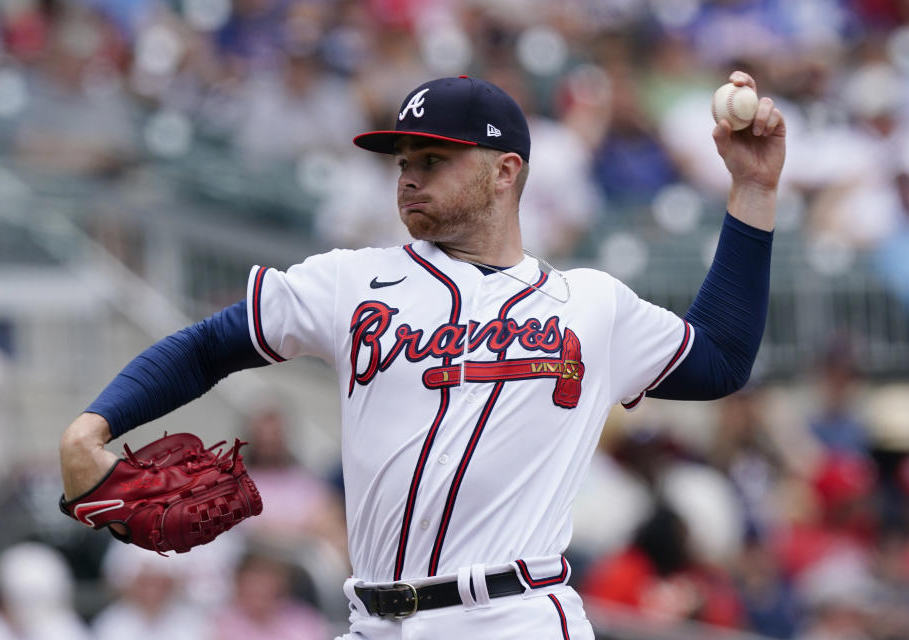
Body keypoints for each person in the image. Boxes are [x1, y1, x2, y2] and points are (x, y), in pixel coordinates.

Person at [60, 72, 785, 637]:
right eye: (403, 160)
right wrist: (94, 424)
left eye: (433, 160)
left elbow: (720, 357)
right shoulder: (351, 280)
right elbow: (210, 345)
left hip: (515, 616)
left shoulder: (592, 305)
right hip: (372, 621)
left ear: (506, 172)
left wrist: (752, 190)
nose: (408, 176)